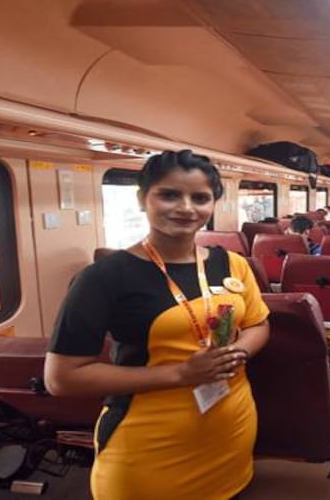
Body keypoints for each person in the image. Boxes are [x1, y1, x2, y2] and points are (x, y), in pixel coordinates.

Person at [44, 150, 271, 500]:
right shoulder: (103, 278)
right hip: (148, 447)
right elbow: (61, 378)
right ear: (142, 199)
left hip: (231, 432)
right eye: (169, 194)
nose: (186, 207)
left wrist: (233, 353)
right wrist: (181, 374)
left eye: (200, 198)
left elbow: (258, 324)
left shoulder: (233, 264)